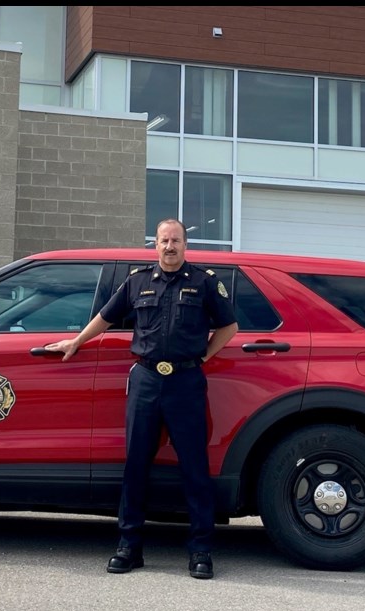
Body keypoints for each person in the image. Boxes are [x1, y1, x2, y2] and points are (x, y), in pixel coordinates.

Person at [45, 218, 239, 579]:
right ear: (155, 245)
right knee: (135, 465)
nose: (170, 246)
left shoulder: (205, 282)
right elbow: (105, 317)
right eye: (164, 240)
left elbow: (230, 327)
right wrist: (76, 341)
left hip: (186, 381)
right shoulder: (136, 282)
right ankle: (129, 547)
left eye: (176, 240)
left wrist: (204, 358)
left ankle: (201, 551)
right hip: (146, 379)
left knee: (194, 468)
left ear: (185, 245)